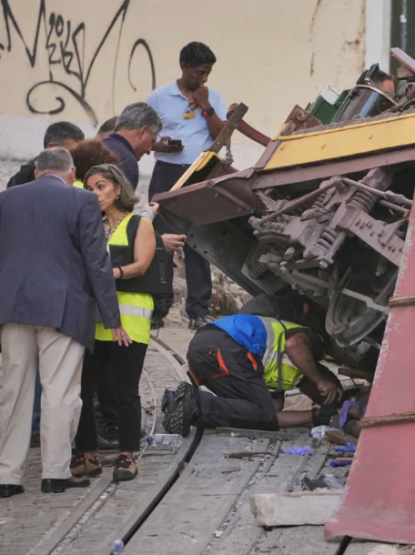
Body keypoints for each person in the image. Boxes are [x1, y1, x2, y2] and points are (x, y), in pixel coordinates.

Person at [0, 148, 128, 497]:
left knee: (13, 390)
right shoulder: (83, 201)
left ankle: (7, 476)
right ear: (72, 173)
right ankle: (55, 473)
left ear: (38, 172)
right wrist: (112, 317)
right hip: (63, 308)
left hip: (11, 307)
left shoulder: (5, 199)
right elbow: (97, 263)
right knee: (60, 391)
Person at [71, 164, 156, 482]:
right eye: (90, 188)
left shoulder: (138, 224)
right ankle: (87, 452)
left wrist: (109, 274)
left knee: (125, 389)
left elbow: (141, 264)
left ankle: (127, 454)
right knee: (84, 388)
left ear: (118, 189)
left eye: (101, 186)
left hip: (130, 318)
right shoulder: (89, 225)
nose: (95, 194)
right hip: (93, 319)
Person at [146, 41, 227, 331]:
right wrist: (160, 145)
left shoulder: (213, 97)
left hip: (200, 175)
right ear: (184, 67)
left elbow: (222, 136)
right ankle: (158, 309)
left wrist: (206, 108)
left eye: (208, 73)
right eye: (199, 72)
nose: (204, 78)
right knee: (160, 243)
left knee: (199, 244)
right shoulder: (159, 97)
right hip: (167, 173)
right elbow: (144, 136)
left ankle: (198, 311)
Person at [161, 314, 344, 436]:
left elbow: (271, 413)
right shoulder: (312, 342)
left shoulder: (286, 377)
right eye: (327, 393)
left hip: (203, 351)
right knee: (261, 414)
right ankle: (193, 405)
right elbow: (294, 345)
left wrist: (317, 416)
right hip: (226, 347)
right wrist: (321, 381)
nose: (320, 396)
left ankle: (179, 404)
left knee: (246, 413)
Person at [102, 102, 166, 188]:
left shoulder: (96, 148)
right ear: (143, 132)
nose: (149, 151)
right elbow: (124, 201)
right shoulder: (127, 162)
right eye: (151, 141)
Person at [6, 121, 85, 188]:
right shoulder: (22, 181)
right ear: (51, 147)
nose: (76, 158)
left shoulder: (85, 173)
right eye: (71, 153)